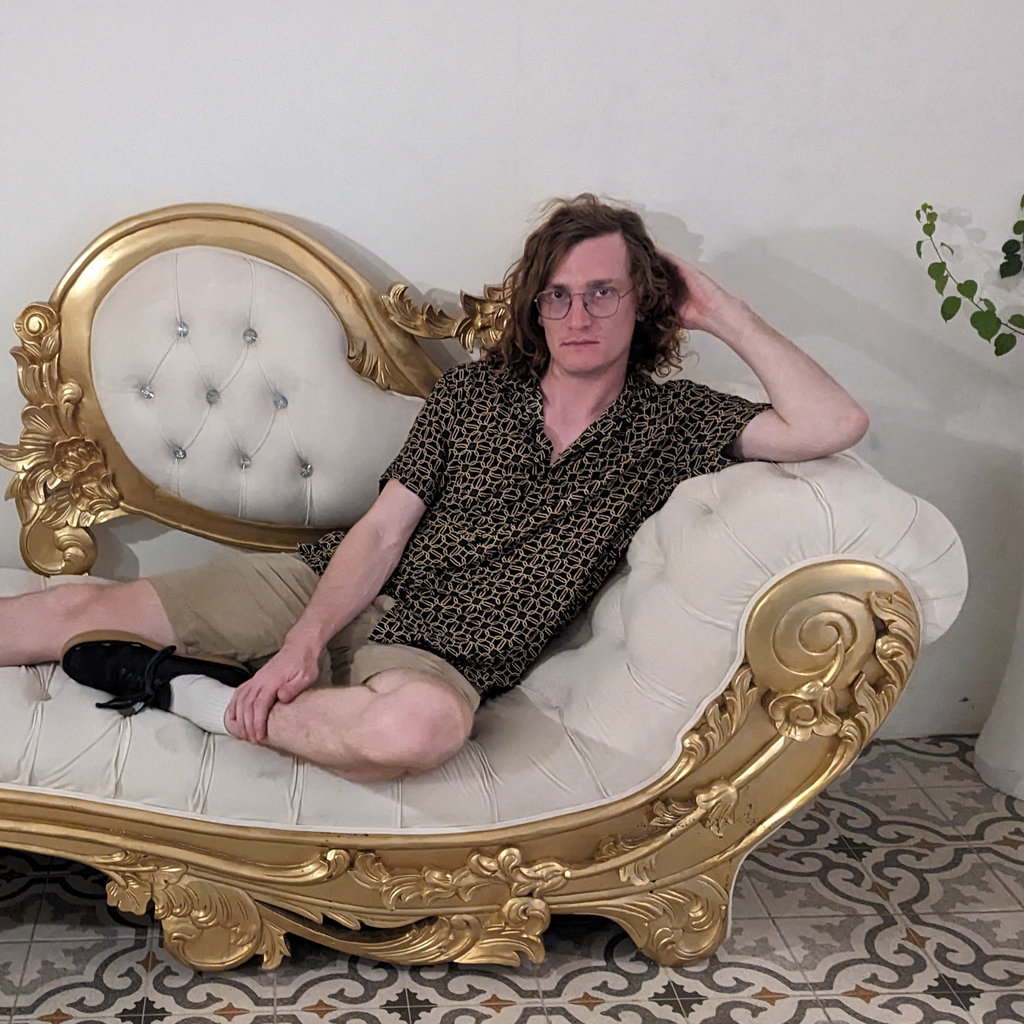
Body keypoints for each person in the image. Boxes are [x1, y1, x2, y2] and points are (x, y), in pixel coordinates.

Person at [0, 194, 868, 783]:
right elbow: (382, 531)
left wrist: (719, 311)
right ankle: (238, 668)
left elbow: (833, 423)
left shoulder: (674, 422)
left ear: (644, 302)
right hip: (327, 586)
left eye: (604, 293)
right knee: (76, 610)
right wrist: (305, 640)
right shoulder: (474, 394)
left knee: (418, 732)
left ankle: (188, 691)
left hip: (444, 653)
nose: (578, 317)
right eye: (559, 296)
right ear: (535, 308)